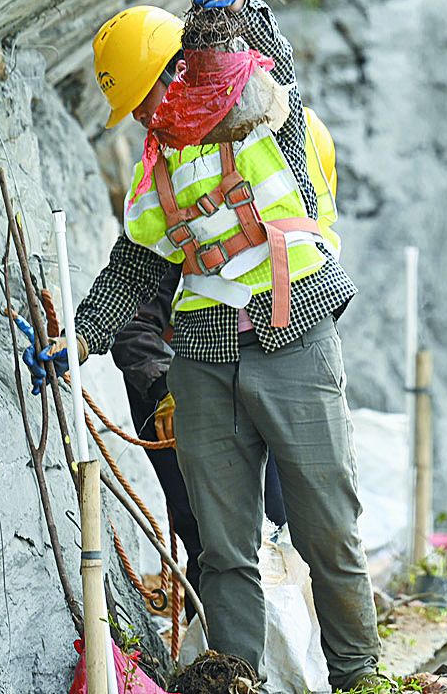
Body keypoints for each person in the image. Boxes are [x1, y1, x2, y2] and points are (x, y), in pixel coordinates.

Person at [70, 0, 381, 691]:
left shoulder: (263, 106)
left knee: (327, 526)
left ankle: (359, 675)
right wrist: (80, 340)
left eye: (144, 98)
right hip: (205, 353)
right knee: (222, 545)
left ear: (174, 74)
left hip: (293, 331)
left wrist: (238, 7)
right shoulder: (157, 171)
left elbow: (277, 52)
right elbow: (134, 269)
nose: (144, 117)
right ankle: (236, 677)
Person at [110, 107, 338, 599]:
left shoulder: (295, 223)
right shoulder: (198, 209)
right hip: (179, 394)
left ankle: (285, 649)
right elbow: (134, 319)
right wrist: (165, 388)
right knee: (211, 536)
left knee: (279, 526)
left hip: (258, 381)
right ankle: (215, 654)